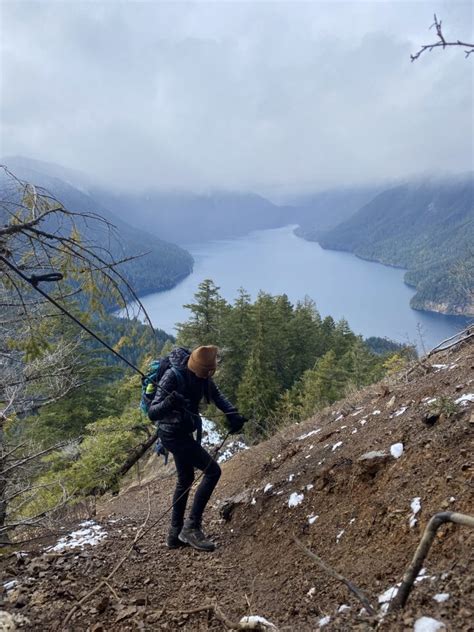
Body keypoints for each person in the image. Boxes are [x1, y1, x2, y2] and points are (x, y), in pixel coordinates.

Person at [148, 345, 246, 552]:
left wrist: (232, 414)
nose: (206, 377)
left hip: (183, 431)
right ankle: (191, 527)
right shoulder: (172, 376)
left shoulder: (202, 376)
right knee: (213, 471)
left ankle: (174, 535)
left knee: (186, 479)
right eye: (205, 373)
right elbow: (153, 412)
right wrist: (170, 401)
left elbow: (216, 395)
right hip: (172, 433)